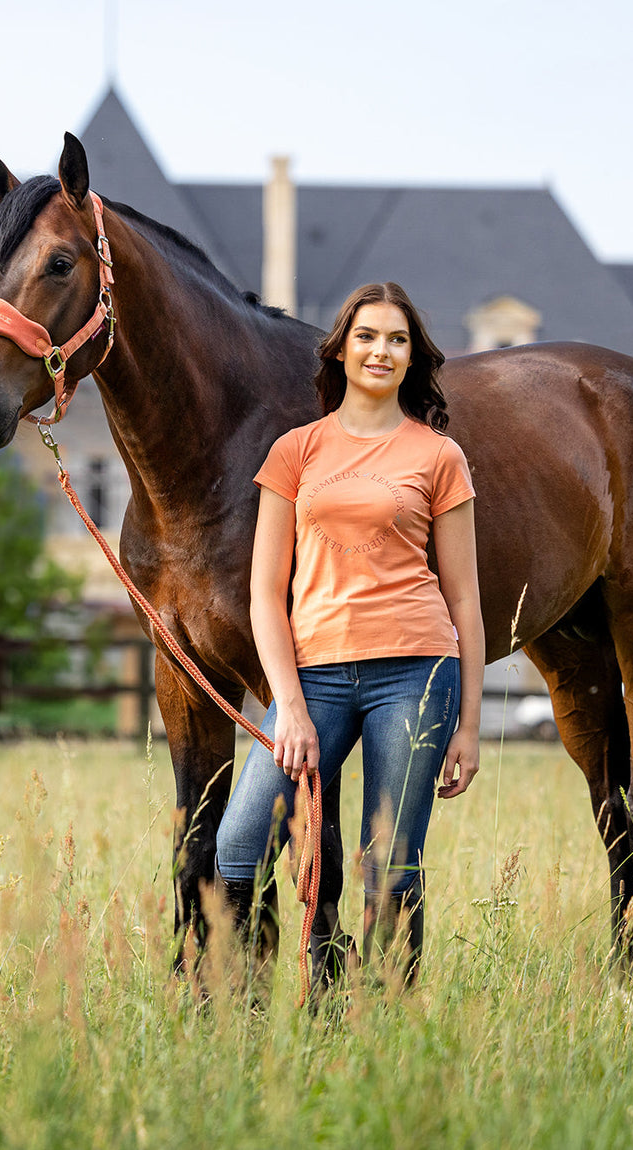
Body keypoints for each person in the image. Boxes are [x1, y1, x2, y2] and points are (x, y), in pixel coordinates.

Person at [215, 281, 484, 995]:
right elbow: (264, 596)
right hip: (319, 677)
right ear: (340, 349)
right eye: (367, 336)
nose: (381, 351)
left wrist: (471, 727)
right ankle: (237, 1011)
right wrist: (291, 709)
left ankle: (381, 1027)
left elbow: (465, 598)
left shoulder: (438, 457)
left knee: (390, 861)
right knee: (240, 841)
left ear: (412, 357)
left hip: (417, 673)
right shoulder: (295, 451)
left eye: (397, 340)